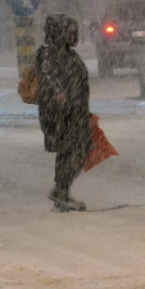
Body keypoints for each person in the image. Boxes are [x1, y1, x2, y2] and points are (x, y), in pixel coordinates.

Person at [36, 13, 94, 211]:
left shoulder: (69, 54)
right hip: (60, 113)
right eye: (68, 33)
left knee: (77, 150)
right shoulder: (49, 53)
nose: (72, 37)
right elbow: (47, 73)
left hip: (75, 112)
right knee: (71, 150)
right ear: (58, 33)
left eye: (74, 33)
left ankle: (62, 191)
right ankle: (61, 190)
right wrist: (58, 91)